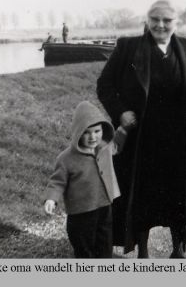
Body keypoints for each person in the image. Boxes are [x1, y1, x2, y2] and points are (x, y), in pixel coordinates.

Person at [96, 0, 186, 258]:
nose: (160, 25)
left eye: (167, 20)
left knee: (179, 194)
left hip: (179, 140)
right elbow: (105, 85)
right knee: (141, 196)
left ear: (176, 23)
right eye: (154, 19)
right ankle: (143, 252)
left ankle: (178, 248)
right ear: (147, 21)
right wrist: (121, 112)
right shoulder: (128, 47)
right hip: (142, 139)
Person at [43, 100, 128, 258]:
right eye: (86, 132)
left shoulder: (104, 148)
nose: (93, 137)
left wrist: (123, 131)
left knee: (104, 244)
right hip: (81, 213)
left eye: (97, 131)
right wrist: (51, 199)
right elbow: (57, 182)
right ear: (77, 133)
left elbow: (116, 147)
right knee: (84, 248)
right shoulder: (66, 158)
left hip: (104, 207)